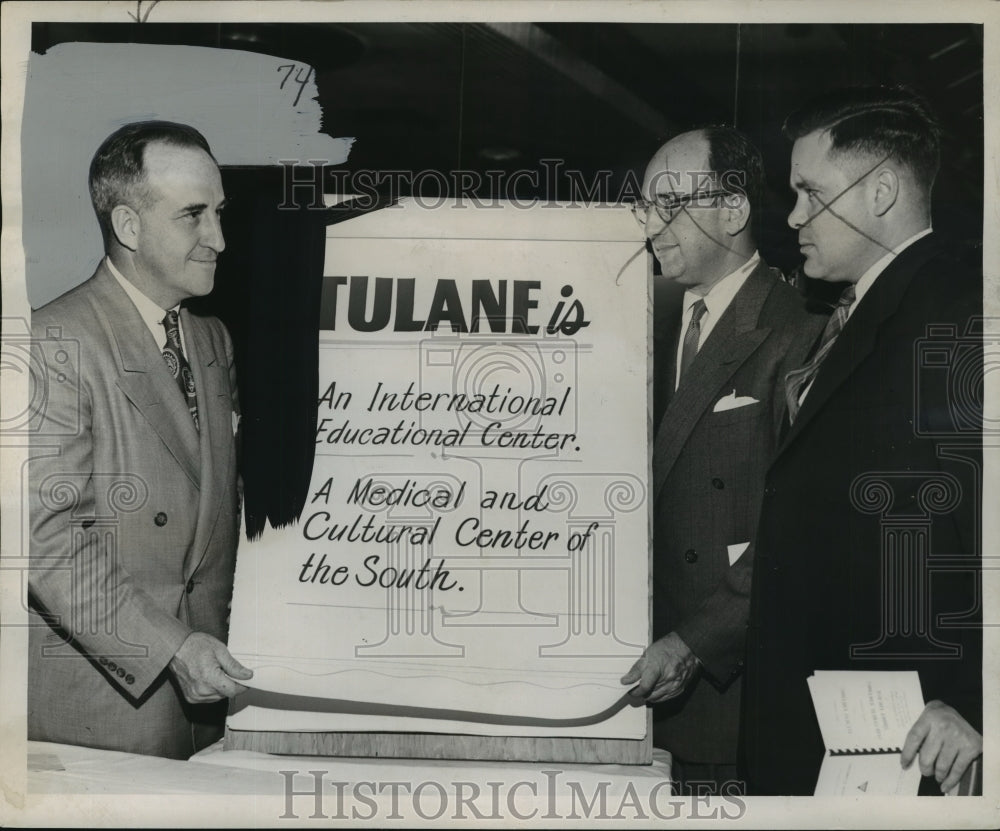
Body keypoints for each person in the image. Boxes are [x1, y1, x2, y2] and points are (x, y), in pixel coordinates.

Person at [738, 86, 983, 794]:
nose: (793, 216)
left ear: (880, 192)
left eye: (810, 192)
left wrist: (976, 705)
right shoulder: (861, 309)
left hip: (908, 740)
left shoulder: (958, 314)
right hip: (830, 733)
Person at [28, 121, 253, 759]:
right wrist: (170, 646)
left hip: (207, 702)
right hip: (105, 712)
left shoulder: (211, 341)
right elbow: (43, 543)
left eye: (219, 213)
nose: (220, 238)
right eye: (194, 216)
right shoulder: (52, 344)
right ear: (128, 227)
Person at [620, 127, 826, 790]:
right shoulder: (639, 320)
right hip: (634, 691)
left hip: (724, 694)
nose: (649, 224)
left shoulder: (799, 329)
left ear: (732, 211)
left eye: (668, 203)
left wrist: (693, 643)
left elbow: (795, 532)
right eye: (644, 205)